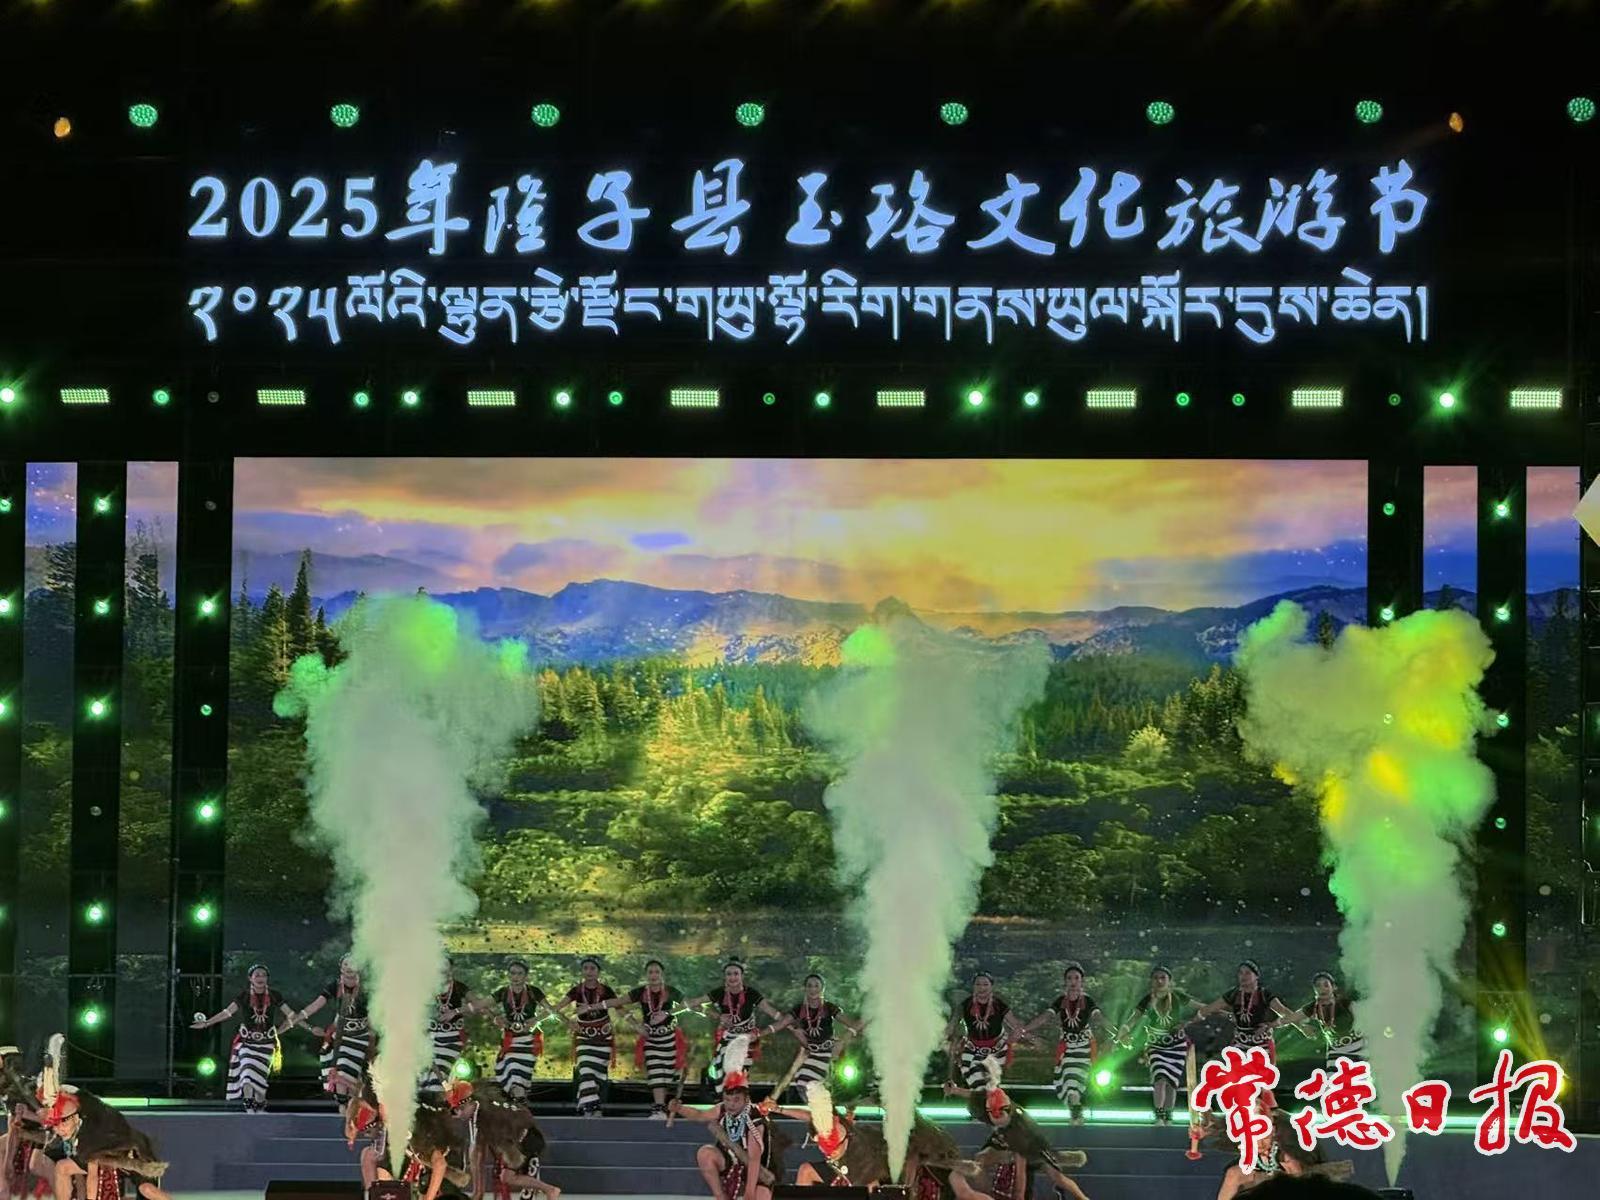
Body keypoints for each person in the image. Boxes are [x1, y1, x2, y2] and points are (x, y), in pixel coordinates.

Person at [947, 1069, 1090, 1200]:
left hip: (1034, 1146)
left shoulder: (1019, 1131)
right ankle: (988, 1196)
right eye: (992, 1116)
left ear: (1008, 1112)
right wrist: (955, 1090)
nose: (995, 1120)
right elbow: (975, 1095)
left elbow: (1020, 1171)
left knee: (1056, 1176)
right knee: (981, 1158)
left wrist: (1019, 1196)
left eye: (999, 1118)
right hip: (1006, 1137)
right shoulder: (993, 1099)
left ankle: (1083, 1198)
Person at [668, 1038, 774, 1200]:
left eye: (736, 1100)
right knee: (705, 1153)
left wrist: (750, 1193)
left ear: (746, 1098)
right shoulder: (722, 1108)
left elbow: (754, 1159)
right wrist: (680, 1109)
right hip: (731, 1161)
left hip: (756, 1168)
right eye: (728, 1099)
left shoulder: (754, 1119)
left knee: (761, 1196)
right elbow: (700, 1116)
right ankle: (720, 1197)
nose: (731, 1104)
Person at [190, 963, 297, 1112]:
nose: (260, 978)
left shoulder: (274, 995)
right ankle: (248, 1105)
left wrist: (283, 1028)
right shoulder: (244, 995)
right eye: (257, 975)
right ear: (250, 978)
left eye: (263, 975)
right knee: (247, 1073)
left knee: (260, 1078)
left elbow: (291, 1014)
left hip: (266, 1044)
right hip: (247, 1043)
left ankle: (259, 1105)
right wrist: (207, 1023)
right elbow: (227, 1012)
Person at [1113, 965, 1202, 1125]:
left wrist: (1224, 1012)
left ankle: (1168, 1115)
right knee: (1159, 1077)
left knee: (1172, 1082)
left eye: (1163, 978)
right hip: (1156, 1045)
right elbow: (1133, 1019)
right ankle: (1159, 1114)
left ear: (1169, 981)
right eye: (1156, 978)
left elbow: (1200, 1008)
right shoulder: (1148, 999)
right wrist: (1122, 1034)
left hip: (1176, 1045)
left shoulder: (1177, 996)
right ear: (1151, 981)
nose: (1159, 981)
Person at [1023, 963, 1108, 1124]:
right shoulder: (1061, 1001)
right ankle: (1076, 1113)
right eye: (1069, 978)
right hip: (1068, 1048)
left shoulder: (1087, 1001)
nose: (1073, 982)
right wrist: (1025, 1030)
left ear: (1082, 981)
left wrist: (1117, 1033)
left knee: (1075, 1080)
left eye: (1076, 978)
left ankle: (1076, 1113)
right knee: (1069, 1080)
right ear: (1065, 981)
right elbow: (1046, 1017)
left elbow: (1099, 1018)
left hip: (1084, 1047)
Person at [686, 961, 784, 1094]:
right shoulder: (719, 992)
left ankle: (739, 1103)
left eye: (736, 974)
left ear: (742, 976)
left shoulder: (751, 993)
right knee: (722, 1072)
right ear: (724, 977)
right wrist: (717, 1015)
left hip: (747, 1038)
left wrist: (789, 1023)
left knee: (738, 1072)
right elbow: (691, 1004)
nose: (732, 977)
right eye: (729, 974)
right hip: (728, 1037)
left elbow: (771, 1011)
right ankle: (728, 1102)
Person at [287, 954, 372, 1104]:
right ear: (341, 968)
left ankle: (355, 1105)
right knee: (340, 1071)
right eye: (346, 964)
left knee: (351, 1074)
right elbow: (316, 1005)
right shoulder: (335, 985)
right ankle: (344, 1106)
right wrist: (298, 1018)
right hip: (340, 1035)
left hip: (361, 1037)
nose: (349, 967)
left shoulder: (368, 986)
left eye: (353, 964)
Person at [765, 974, 863, 1099]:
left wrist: (849, 1035)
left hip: (829, 1052)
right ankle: (772, 1102)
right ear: (805, 989)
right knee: (800, 1079)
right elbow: (782, 1023)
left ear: (822, 988)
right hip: (809, 1052)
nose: (813, 989)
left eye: (816, 986)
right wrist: (759, 1034)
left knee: (833, 1085)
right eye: (810, 986)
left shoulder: (829, 1007)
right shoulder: (800, 1009)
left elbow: (852, 1024)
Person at [611, 959, 688, 1119]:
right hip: (651, 1038)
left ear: (662, 974)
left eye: (656, 972)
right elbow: (617, 1004)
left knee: (666, 1075)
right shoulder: (640, 992)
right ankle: (658, 1109)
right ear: (646, 975)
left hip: (670, 1037)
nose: (653, 975)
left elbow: (687, 1005)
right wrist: (635, 1025)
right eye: (650, 972)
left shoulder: (671, 991)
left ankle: (664, 1108)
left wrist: (668, 1013)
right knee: (656, 1072)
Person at [1191, 961, 1297, 1075]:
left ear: (1256, 976)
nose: (1243, 976)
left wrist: (1301, 1027)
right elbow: (1211, 1008)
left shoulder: (1264, 994)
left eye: (1247, 973)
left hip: (1262, 1045)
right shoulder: (1234, 993)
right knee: (1237, 1079)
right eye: (1240, 973)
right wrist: (1193, 1019)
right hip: (1240, 1043)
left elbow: (1284, 1011)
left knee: (1261, 1080)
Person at [486, 960, 561, 1102]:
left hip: (529, 1039)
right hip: (510, 1039)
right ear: (508, 975)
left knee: (521, 1074)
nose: (516, 977)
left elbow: (551, 1010)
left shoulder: (533, 991)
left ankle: (519, 1104)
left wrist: (536, 1019)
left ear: (526, 976)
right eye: (513, 973)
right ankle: (519, 1103)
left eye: (520, 973)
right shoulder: (503, 992)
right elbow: (481, 1005)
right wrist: (495, 1017)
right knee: (511, 1068)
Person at [553, 957, 618, 1116]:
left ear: (598, 972)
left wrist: (636, 1024)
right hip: (583, 1037)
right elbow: (555, 1009)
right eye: (586, 968)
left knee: (597, 1075)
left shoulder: (606, 990)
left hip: (603, 1038)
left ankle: (589, 1106)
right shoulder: (576, 990)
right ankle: (591, 1107)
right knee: (586, 1069)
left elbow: (620, 1007)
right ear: (582, 971)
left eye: (592, 968)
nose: (589, 972)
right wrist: (567, 1021)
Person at [944, 973, 1030, 1088]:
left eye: (985, 984)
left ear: (991, 986)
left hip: (997, 1048)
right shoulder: (965, 1005)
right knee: (974, 1081)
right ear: (973, 986)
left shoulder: (999, 1005)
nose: (981, 988)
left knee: (992, 1083)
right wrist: (942, 1037)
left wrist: (1030, 1037)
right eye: (978, 984)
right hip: (972, 1048)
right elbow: (952, 1024)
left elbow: (1015, 1024)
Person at [1291, 973, 1365, 1071]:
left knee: (1362, 1077)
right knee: (1333, 1078)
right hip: (1335, 1051)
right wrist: (1302, 1027)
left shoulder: (1346, 1003)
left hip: (1359, 1047)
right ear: (1314, 990)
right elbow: (1289, 1018)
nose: (1322, 989)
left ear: (1333, 987)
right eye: (1318, 986)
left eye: (1326, 985)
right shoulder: (1313, 1007)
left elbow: (1366, 1019)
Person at [426, 958, 479, 1089]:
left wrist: (455, 1012)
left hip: (451, 1039)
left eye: (446, 967)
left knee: (437, 1078)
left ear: (451, 969)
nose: (443, 970)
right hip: (428, 1039)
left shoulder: (459, 987)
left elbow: (478, 1005)